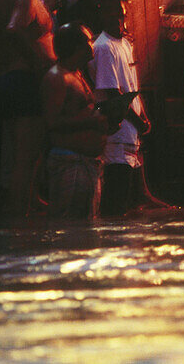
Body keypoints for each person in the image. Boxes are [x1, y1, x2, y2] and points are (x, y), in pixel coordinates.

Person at [0, 0, 56, 215]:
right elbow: (14, 29)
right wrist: (38, 61)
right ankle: (19, 211)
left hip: (8, 79)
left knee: (27, 152)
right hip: (22, 80)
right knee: (26, 154)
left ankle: (27, 202)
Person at [93, 0, 167, 215]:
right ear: (101, 14)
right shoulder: (104, 47)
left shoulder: (124, 44)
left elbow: (132, 86)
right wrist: (137, 121)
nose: (118, 19)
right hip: (118, 128)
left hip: (131, 128)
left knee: (126, 194)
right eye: (111, 13)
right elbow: (113, 93)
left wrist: (143, 115)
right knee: (116, 193)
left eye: (121, 14)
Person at [41, 22, 108, 219]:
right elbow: (51, 122)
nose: (93, 44)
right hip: (69, 163)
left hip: (87, 163)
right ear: (77, 47)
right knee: (68, 229)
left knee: (86, 234)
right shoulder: (56, 77)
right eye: (89, 41)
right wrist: (91, 123)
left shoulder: (77, 74)